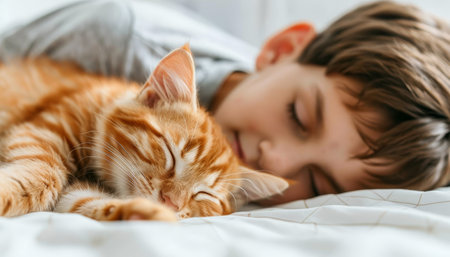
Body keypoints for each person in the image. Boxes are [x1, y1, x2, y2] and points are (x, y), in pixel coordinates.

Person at [0, 0, 449, 205]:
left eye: (318, 184)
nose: (275, 159)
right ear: (278, 51)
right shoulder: (117, 37)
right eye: (298, 116)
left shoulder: (245, 177)